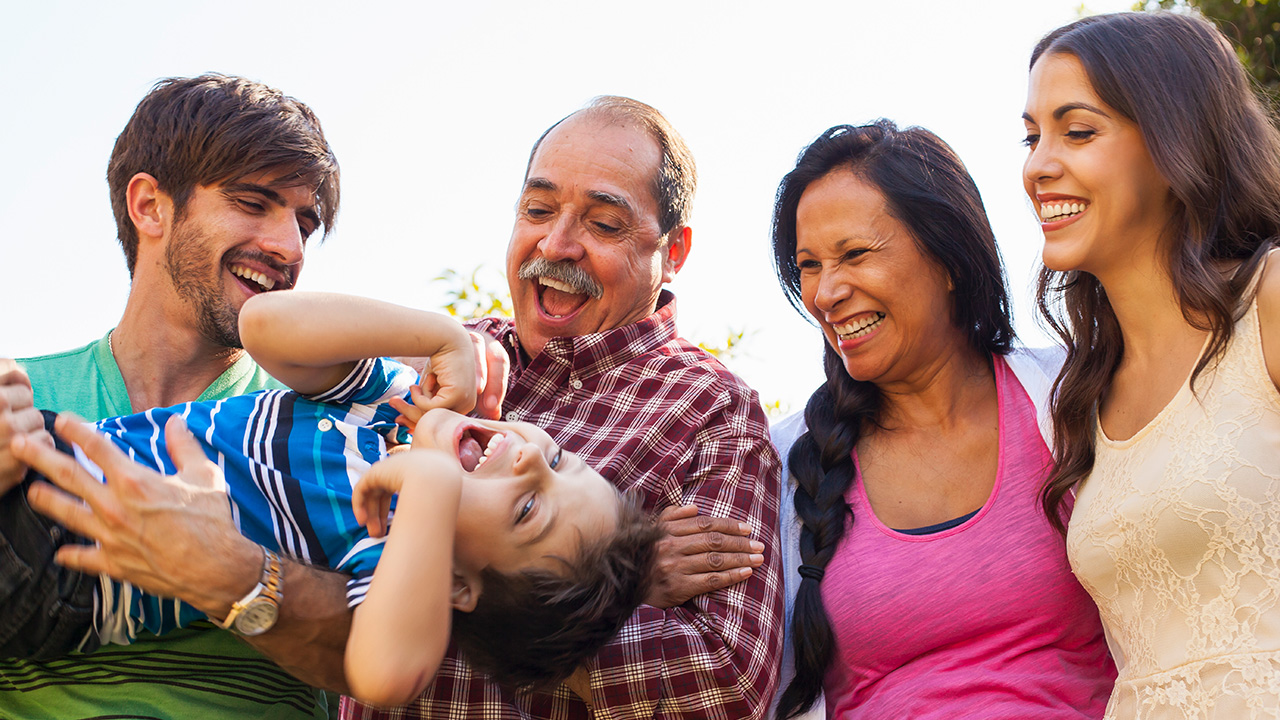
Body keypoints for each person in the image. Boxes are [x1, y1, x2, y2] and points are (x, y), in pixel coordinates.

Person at [343, 96, 784, 720]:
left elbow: (724, 682)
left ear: (674, 251)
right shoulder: (439, 360)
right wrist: (631, 588)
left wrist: (577, 606)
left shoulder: (709, 405)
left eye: (604, 224)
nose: (557, 243)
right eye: (538, 210)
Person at [5, 290, 660, 709]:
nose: (524, 457)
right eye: (555, 458)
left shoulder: (392, 553)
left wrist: (430, 483)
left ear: (457, 584)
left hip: (60, 558)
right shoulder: (389, 399)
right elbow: (263, 323)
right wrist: (440, 335)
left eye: (527, 510)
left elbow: (385, 676)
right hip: (56, 460)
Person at [0, 73, 353, 719]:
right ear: (149, 206)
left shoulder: (326, 426)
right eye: (254, 203)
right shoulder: (17, 396)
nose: (290, 246)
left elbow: (385, 655)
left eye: (306, 220)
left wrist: (237, 576)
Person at [771, 121, 1116, 719]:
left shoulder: (1076, 396)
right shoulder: (783, 464)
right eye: (807, 265)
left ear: (948, 255)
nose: (825, 292)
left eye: (854, 254)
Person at [1024, 11, 1280, 718]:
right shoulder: (1083, 396)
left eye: (1077, 131)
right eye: (1032, 134)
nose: (1039, 165)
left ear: (1175, 143)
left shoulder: (1270, 302)